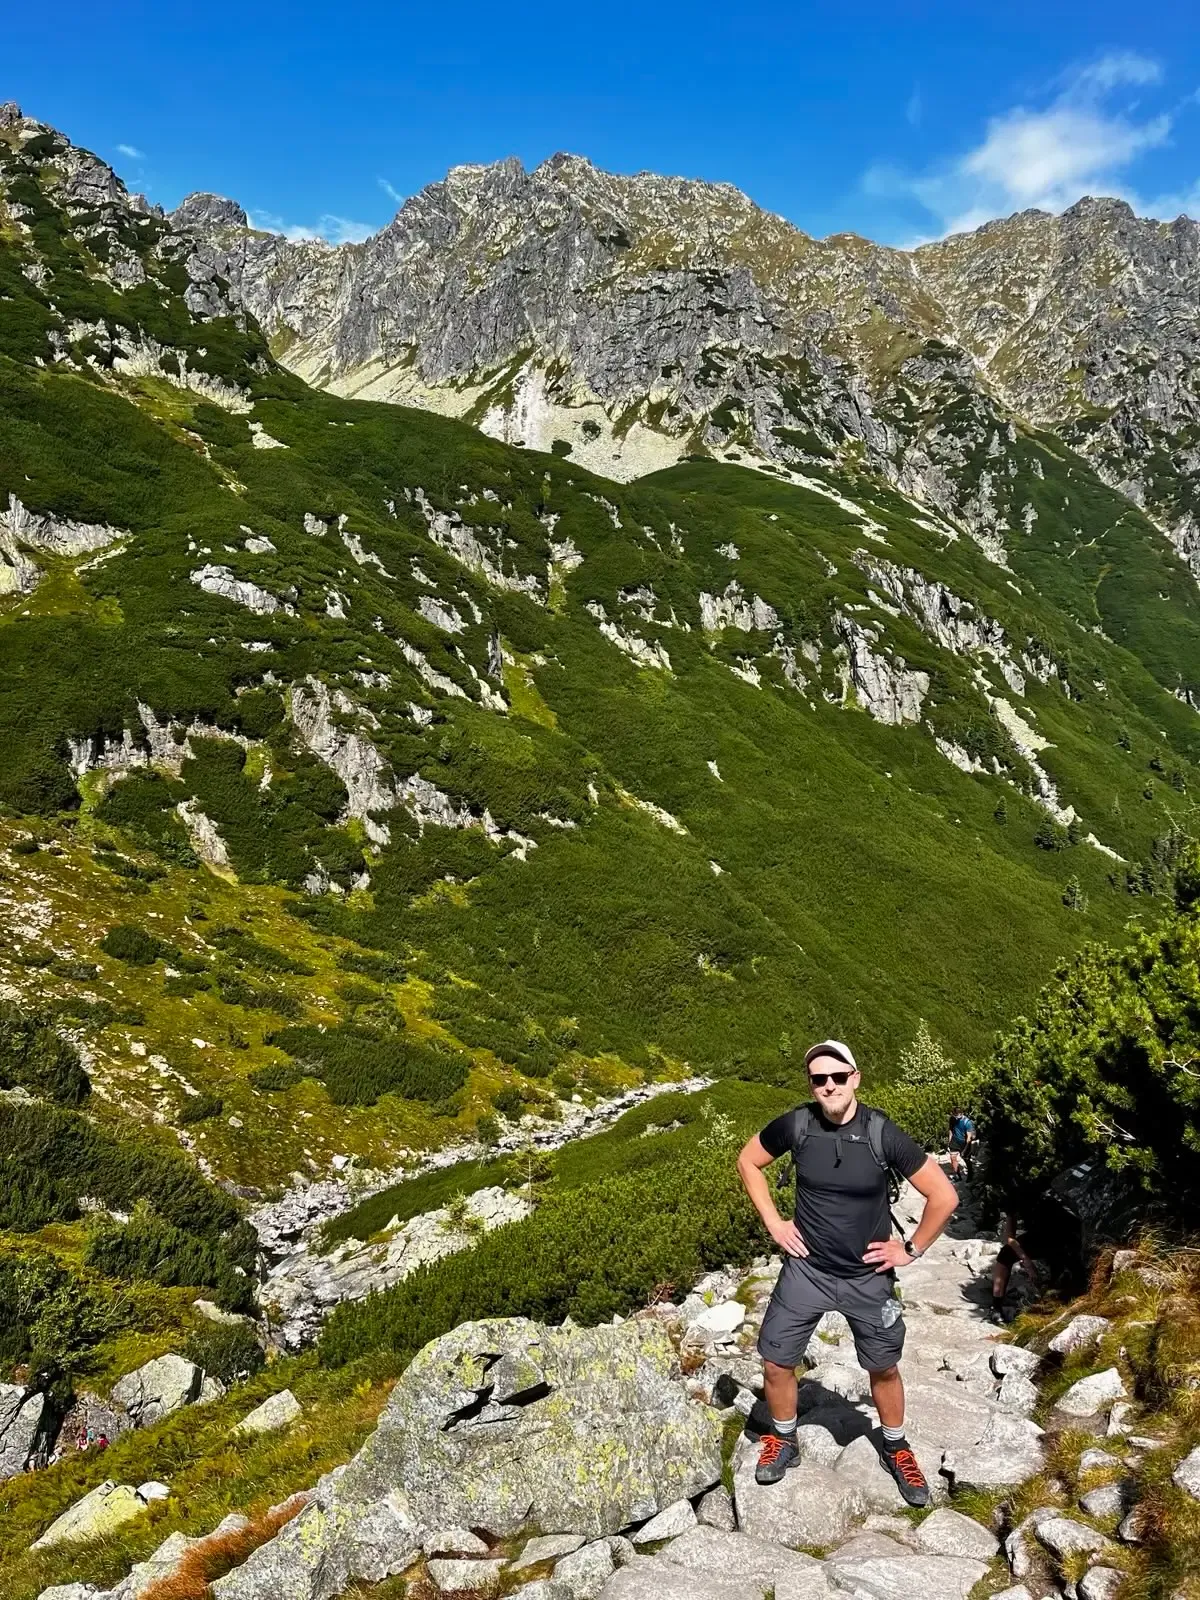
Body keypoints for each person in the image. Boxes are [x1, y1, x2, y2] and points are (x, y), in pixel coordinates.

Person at [737, 1039, 959, 1506]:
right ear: (811, 1085)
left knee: (883, 1366)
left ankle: (895, 1447)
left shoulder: (881, 1132)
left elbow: (944, 1196)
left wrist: (910, 1249)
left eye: (838, 1076)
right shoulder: (797, 1124)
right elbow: (748, 1161)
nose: (829, 1086)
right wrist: (774, 1223)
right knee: (776, 1361)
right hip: (807, 1270)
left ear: (855, 1078)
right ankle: (784, 1438)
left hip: (868, 1276)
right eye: (819, 1079)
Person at [946, 1107, 977, 1182]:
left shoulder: (967, 1122)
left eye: (957, 1115)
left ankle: (970, 1174)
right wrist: (949, 1141)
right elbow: (951, 1130)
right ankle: (958, 1175)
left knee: (966, 1159)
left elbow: (969, 1138)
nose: (956, 1117)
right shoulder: (952, 1119)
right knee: (953, 1157)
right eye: (955, 1115)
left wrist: (964, 1150)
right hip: (955, 1140)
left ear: (961, 1114)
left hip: (964, 1142)